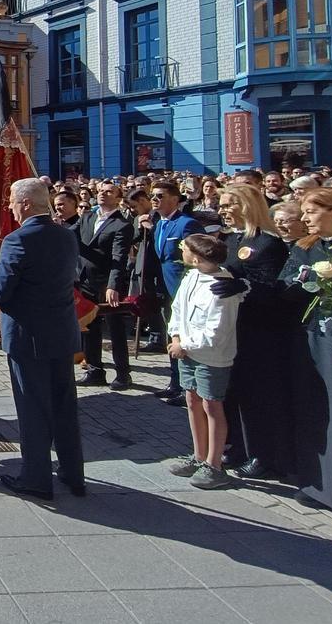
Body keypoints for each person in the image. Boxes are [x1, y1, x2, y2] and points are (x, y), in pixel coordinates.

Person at [0, 177, 85, 499]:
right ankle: (72, 473)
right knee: (64, 406)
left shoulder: (17, 240)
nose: (8, 205)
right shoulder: (66, 236)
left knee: (33, 408)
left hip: (29, 337)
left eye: (11, 199)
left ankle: (36, 477)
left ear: (25, 204)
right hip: (62, 333)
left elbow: (0, 292)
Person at [279, 187, 332, 518]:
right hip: (314, 338)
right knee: (316, 410)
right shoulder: (304, 247)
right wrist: (302, 281)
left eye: (311, 211)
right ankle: (318, 486)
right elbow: (284, 285)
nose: (304, 218)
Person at [217, 184, 291, 479]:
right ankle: (236, 447)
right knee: (232, 392)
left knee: (256, 395)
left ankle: (263, 455)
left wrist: (244, 286)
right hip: (231, 327)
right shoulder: (230, 240)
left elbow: (274, 288)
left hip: (258, 331)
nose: (222, 210)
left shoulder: (268, 243)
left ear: (246, 205)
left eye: (227, 205)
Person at [165, 233, 246, 490]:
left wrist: (184, 345)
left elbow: (216, 331)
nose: (181, 253)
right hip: (186, 351)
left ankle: (214, 464)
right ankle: (198, 455)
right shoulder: (191, 277)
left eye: (184, 249)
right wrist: (176, 335)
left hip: (211, 356)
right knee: (192, 400)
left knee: (212, 405)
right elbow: (178, 309)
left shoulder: (221, 286)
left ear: (197, 258)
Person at [140, 180, 204, 402]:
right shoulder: (159, 223)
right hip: (165, 289)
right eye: (153, 196)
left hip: (182, 287)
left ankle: (188, 386)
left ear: (175, 199)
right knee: (172, 334)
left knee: (184, 337)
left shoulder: (186, 224)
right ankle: (175, 383)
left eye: (160, 196)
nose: (155, 200)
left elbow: (197, 256)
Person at [75, 181, 134, 390]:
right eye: (100, 191)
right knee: (89, 328)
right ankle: (95, 371)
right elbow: (70, 235)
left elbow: (119, 259)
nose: (103, 194)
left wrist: (113, 285)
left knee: (115, 328)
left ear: (118, 198)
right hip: (86, 282)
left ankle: (123, 373)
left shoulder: (122, 225)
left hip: (107, 284)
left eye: (109, 192)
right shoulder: (88, 217)